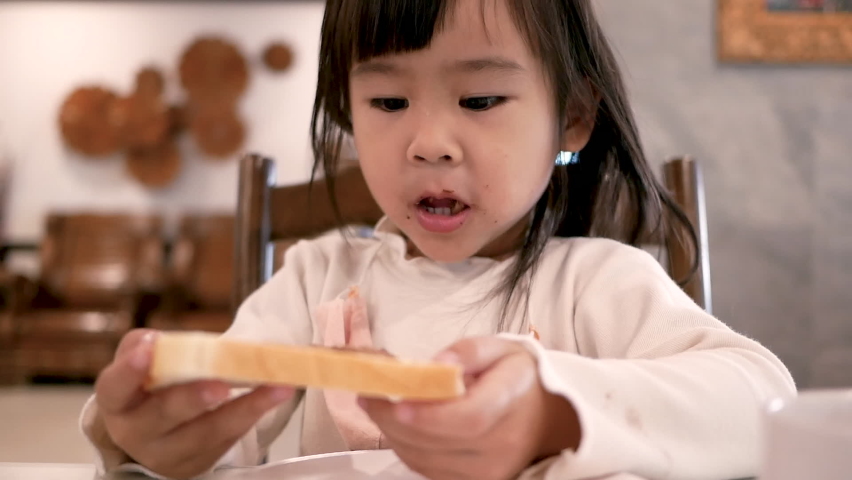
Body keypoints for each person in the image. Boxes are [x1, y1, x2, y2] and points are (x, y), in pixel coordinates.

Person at [80, 0, 796, 479]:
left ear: (573, 118)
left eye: (480, 100)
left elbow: (762, 400)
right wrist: (148, 437)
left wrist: (554, 411)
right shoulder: (315, 278)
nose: (427, 143)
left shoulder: (597, 282)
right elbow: (217, 428)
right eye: (387, 101)